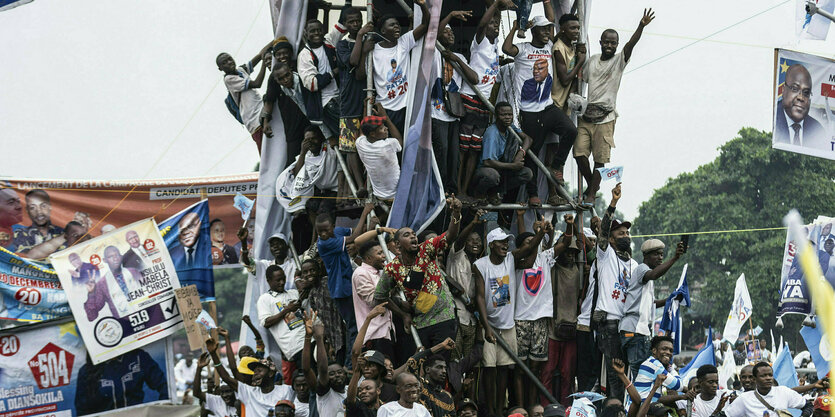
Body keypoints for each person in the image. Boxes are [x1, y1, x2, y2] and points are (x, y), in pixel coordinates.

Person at [575, 9, 654, 203]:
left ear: (616, 45)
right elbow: (580, 77)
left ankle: (592, 194)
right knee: (579, 153)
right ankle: (593, 182)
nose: (609, 45)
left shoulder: (619, 61)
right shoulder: (592, 61)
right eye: (606, 42)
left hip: (606, 118)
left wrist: (641, 26)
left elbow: (630, 46)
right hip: (587, 115)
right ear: (601, 42)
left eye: (613, 43)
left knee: (600, 160)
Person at [502, 10, 577, 206]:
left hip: (548, 106)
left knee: (570, 130)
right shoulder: (523, 49)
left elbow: (558, 25)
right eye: (543, 30)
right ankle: (532, 193)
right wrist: (516, 27)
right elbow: (506, 48)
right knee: (532, 153)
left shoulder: (551, 45)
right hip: (528, 110)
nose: (547, 33)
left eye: (548, 30)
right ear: (533, 31)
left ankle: (557, 165)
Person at [374, 196, 463, 355]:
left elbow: (450, 235)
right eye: (407, 235)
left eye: (414, 234)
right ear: (397, 245)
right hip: (420, 324)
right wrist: (402, 313)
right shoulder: (393, 268)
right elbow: (380, 297)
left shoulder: (427, 249)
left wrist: (456, 213)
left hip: (444, 316)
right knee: (424, 367)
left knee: (440, 363)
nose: (413, 236)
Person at [473, 225, 544, 416]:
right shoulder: (481, 265)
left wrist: (542, 233)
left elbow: (528, 250)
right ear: (491, 245)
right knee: (489, 368)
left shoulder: (510, 259)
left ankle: (499, 408)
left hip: (508, 325)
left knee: (504, 368)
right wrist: (486, 327)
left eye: (506, 242)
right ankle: (490, 410)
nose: (505, 245)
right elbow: (479, 297)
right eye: (501, 242)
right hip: (490, 325)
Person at [316, 205, 397, 365]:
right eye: (320, 232)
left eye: (326, 230)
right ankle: (350, 364)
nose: (323, 234)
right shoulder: (323, 244)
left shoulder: (338, 231)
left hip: (348, 284)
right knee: (354, 327)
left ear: (332, 226)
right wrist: (365, 214)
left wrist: (373, 227)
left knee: (358, 324)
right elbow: (354, 239)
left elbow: (357, 233)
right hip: (340, 288)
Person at [458, 0, 514, 199]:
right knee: (463, 150)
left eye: (497, 23)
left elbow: (494, 21)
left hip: (484, 103)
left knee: (474, 150)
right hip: (471, 98)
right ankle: (459, 189)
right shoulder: (480, 41)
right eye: (492, 23)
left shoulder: (495, 44)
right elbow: (482, 24)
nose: (495, 26)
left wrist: (500, 12)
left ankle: (466, 188)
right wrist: (496, 4)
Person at [593, 182, 637, 400]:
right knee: (613, 373)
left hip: (627, 325)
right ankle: (614, 409)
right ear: (611, 239)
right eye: (620, 233)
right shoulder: (605, 255)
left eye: (627, 232)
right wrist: (613, 203)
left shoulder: (635, 265)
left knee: (626, 371)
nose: (626, 235)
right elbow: (602, 230)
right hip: (609, 323)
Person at [362, 0, 431, 134]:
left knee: (405, 145)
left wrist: (423, 5)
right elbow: (361, 74)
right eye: (392, 25)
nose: (397, 27)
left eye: (398, 25)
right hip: (385, 108)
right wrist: (364, 52)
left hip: (406, 106)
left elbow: (426, 25)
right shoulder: (373, 51)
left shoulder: (403, 42)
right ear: (382, 30)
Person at [620, 238, 686, 377]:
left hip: (635, 331)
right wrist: (674, 258)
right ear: (646, 256)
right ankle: (641, 399)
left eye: (662, 254)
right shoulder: (642, 269)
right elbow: (654, 275)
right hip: (635, 331)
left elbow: (652, 305)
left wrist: (671, 300)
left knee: (639, 373)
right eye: (656, 254)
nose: (660, 258)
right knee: (642, 375)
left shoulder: (647, 279)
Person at [430, 11, 479, 195]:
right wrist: (449, 16)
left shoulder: (459, 57)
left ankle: (451, 189)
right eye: (446, 32)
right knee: (441, 151)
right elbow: (433, 33)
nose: (450, 34)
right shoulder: (432, 53)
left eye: (452, 32)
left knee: (454, 155)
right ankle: (440, 189)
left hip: (454, 115)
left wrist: (457, 59)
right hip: (436, 113)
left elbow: (474, 79)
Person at [540, 214, 586, 406]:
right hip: (552, 328)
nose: (570, 255)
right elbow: (552, 248)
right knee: (547, 372)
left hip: (571, 329)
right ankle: (546, 406)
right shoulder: (551, 268)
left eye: (573, 253)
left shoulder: (581, 271)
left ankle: (566, 407)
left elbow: (586, 246)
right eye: (567, 252)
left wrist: (575, 224)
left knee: (568, 374)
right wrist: (567, 228)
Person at [513, 219, 556, 409]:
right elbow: (528, 253)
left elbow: (560, 245)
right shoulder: (515, 260)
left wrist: (549, 233)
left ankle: (532, 408)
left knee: (535, 369)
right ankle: (521, 408)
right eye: (527, 243)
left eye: (534, 241)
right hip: (520, 319)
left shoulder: (544, 259)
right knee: (520, 370)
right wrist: (537, 235)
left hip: (540, 320)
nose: (532, 245)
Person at [208, 334, 294, 417]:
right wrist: (213, 354)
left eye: (259, 370)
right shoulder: (249, 393)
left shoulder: (286, 390)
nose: (255, 374)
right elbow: (226, 378)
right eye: (254, 371)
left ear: (271, 373)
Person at [470, 101, 534, 205]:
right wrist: (513, 165)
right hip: (485, 171)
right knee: (492, 176)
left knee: (527, 173)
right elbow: (487, 162)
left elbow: (528, 139)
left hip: (501, 170)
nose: (507, 117)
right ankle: (479, 193)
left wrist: (521, 153)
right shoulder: (492, 133)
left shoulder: (510, 127)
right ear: (496, 116)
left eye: (510, 114)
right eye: (503, 115)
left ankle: (494, 192)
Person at [336, 7, 370, 200]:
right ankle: (359, 185)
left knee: (369, 140)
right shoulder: (342, 45)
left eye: (358, 20)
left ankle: (368, 181)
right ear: (345, 24)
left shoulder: (370, 39)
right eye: (351, 22)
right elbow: (353, 61)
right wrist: (360, 41)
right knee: (350, 146)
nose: (356, 24)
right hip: (349, 101)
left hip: (368, 98)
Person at [75, 348, 168, 415]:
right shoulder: (87, 371)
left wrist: (161, 412)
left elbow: (165, 387)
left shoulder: (138, 357)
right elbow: (82, 410)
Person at [218, 42, 273, 153]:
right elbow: (257, 83)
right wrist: (264, 63)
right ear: (221, 68)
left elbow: (259, 55)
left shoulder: (241, 70)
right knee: (266, 151)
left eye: (229, 59)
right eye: (225, 63)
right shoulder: (229, 79)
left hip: (262, 112)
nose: (229, 62)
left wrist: (275, 41)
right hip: (254, 120)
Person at [445, 210, 485, 359]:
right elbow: (459, 239)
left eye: (478, 240)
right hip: (457, 317)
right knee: (455, 359)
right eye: (471, 240)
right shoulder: (457, 256)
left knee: (468, 362)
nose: (476, 242)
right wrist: (473, 223)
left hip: (472, 321)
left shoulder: (481, 264)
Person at [297, 18, 344, 142]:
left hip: (341, 97)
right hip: (327, 103)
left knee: (352, 134)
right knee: (347, 136)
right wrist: (333, 73)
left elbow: (342, 25)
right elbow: (312, 84)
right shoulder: (304, 56)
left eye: (319, 30)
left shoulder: (328, 41)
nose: (316, 33)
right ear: (306, 34)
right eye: (312, 31)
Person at [257, 265, 305, 382]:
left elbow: (305, 294)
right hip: (295, 346)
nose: (282, 282)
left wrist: (297, 278)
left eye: (283, 279)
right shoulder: (265, 299)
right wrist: (287, 310)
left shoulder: (293, 293)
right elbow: (266, 322)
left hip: (309, 338)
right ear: (268, 281)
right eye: (278, 280)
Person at [262, 59, 312, 168]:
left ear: (291, 70)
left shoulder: (302, 80)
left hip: (312, 122)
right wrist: (266, 121)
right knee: (294, 160)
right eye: (281, 79)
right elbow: (269, 100)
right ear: (276, 80)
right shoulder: (284, 88)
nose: (285, 80)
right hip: (293, 125)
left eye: (287, 76)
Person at [352, 240, 395, 359]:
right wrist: (388, 276)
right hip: (374, 335)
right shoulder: (360, 273)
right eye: (380, 253)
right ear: (369, 258)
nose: (384, 256)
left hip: (386, 332)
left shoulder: (380, 272)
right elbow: (374, 301)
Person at [721, 362, 813, 417]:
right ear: (755, 378)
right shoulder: (744, 399)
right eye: (763, 376)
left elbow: (808, 405)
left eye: (770, 375)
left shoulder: (783, 392)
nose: (768, 378)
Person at [302, 311, 348, 417]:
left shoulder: (350, 390)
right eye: (331, 374)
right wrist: (316, 338)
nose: (337, 375)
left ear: (345, 374)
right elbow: (313, 370)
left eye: (339, 372)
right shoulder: (325, 393)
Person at [774, 64, 829, 150]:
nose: (801, 97)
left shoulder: (817, 130)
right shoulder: (772, 119)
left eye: (806, 93)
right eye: (795, 89)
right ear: (783, 90)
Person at [356, 105, 403, 202]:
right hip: (397, 194)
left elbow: (362, 131)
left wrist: (366, 109)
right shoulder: (387, 145)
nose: (386, 128)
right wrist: (386, 118)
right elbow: (399, 140)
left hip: (379, 195)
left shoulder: (360, 143)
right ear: (372, 134)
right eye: (382, 128)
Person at [83, 245, 143, 320]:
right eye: (110, 256)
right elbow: (91, 316)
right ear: (105, 260)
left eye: (117, 255)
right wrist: (91, 293)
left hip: (147, 315)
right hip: (125, 324)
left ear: (121, 257)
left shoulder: (133, 272)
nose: (115, 258)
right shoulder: (102, 283)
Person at [631, 336, 683, 406]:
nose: (668, 352)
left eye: (671, 350)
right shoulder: (655, 364)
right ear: (654, 351)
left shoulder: (650, 362)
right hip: (641, 411)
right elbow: (679, 386)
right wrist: (670, 368)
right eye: (664, 349)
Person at [551, 14, 585, 114]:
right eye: (572, 28)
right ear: (562, 29)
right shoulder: (559, 48)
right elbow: (565, 80)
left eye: (578, 28)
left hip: (564, 103)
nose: (577, 31)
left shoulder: (572, 47)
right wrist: (580, 61)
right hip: (556, 101)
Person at [13, 189, 63, 254]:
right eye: (32, 207)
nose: (39, 211)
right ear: (27, 210)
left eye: (43, 206)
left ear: (50, 206)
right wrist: (64, 237)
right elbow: (26, 257)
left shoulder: (62, 232)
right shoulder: (21, 234)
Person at [194, 353, 240, 417]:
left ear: (234, 390)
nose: (225, 395)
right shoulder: (218, 401)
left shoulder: (243, 400)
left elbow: (233, 367)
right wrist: (199, 369)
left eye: (228, 391)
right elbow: (196, 393)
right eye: (222, 392)